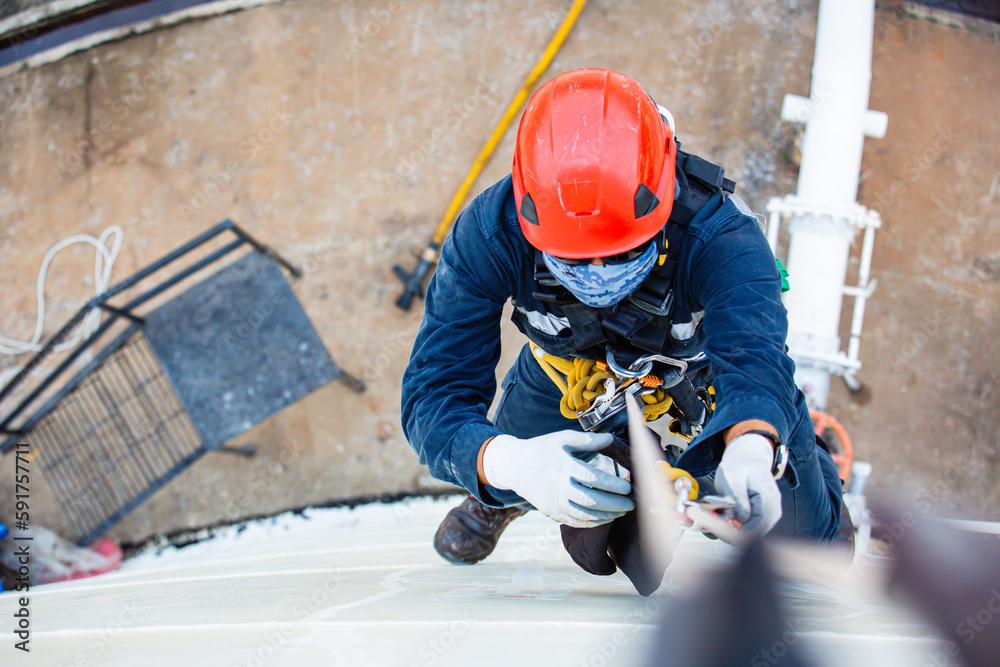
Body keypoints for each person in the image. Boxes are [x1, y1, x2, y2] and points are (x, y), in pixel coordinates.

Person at [401, 69, 843, 590]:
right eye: (572, 259)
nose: (597, 279)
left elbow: (755, 357)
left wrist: (752, 440)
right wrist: (506, 463)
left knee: (810, 545)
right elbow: (434, 392)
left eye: (620, 254)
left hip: (697, 373)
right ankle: (500, 493)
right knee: (498, 459)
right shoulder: (490, 233)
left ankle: (793, 448)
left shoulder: (724, 237)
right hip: (566, 370)